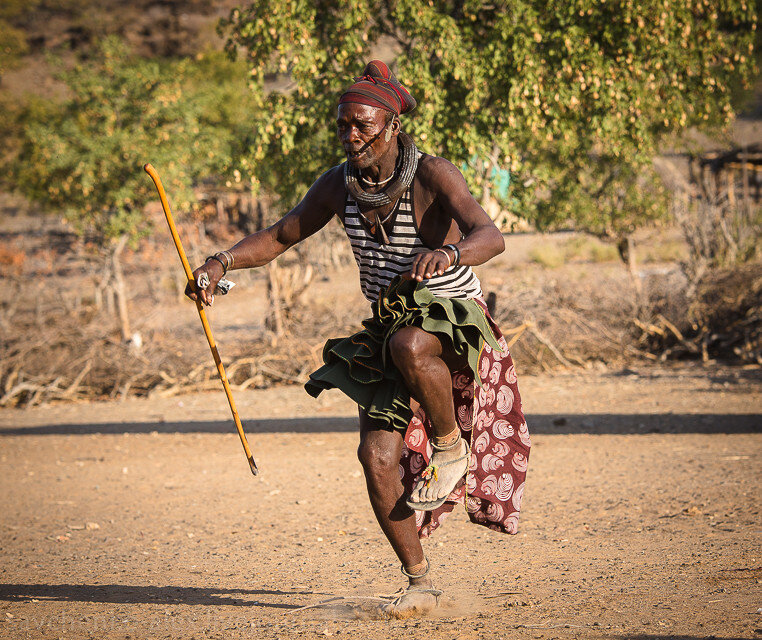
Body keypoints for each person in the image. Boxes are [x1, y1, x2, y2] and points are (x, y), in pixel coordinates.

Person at [187, 60, 530, 617]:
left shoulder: (433, 175)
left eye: (364, 125)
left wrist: (447, 252)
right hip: (392, 322)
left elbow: (490, 235)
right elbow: (280, 235)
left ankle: (450, 446)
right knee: (375, 457)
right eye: (344, 125)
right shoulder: (337, 185)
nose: (352, 136)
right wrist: (219, 262)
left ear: (393, 126)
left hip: (453, 316)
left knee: (411, 345)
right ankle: (419, 583)